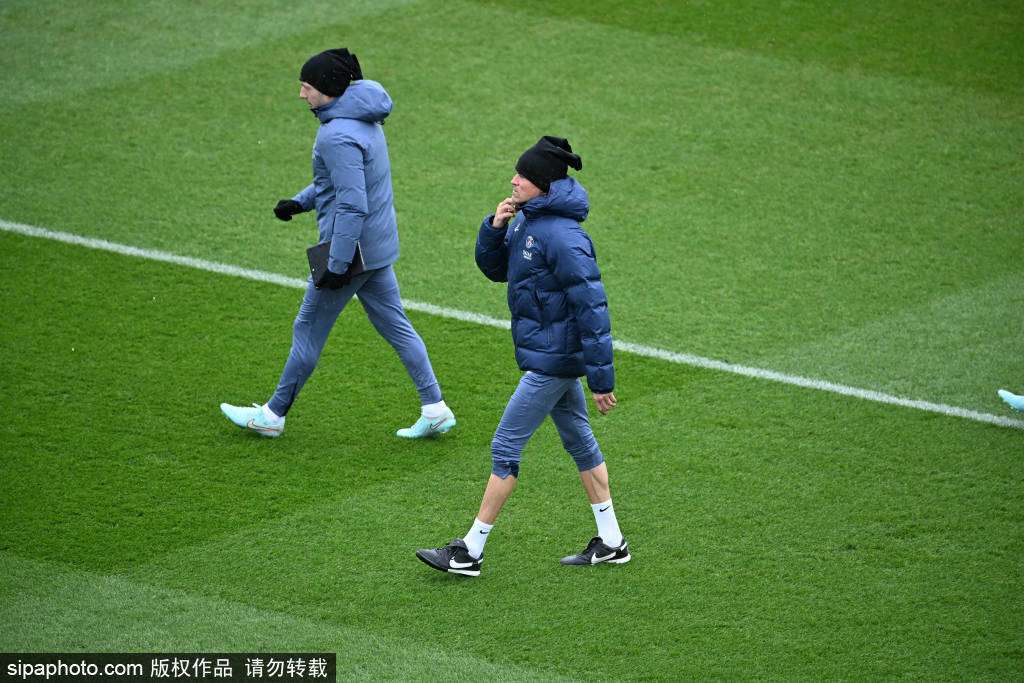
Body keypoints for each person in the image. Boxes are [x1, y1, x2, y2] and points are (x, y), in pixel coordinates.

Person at [416, 136, 628, 577]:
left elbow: (593, 309)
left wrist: (601, 381)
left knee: (505, 446)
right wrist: (494, 228)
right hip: (547, 353)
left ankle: (469, 551)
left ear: (544, 185)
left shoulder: (565, 237)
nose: (513, 180)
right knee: (579, 441)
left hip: (553, 359)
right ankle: (612, 541)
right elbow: (498, 271)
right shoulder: (525, 219)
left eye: (523, 176)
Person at [220, 48, 454, 439]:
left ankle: (272, 415)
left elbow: (351, 203)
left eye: (306, 87)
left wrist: (338, 263)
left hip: (350, 252)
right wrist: (301, 202)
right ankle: (435, 408)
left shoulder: (335, 135)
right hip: (377, 247)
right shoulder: (363, 119)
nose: (301, 94)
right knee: (397, 326)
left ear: (327, 89)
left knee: (307, 328)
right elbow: (341, 183)